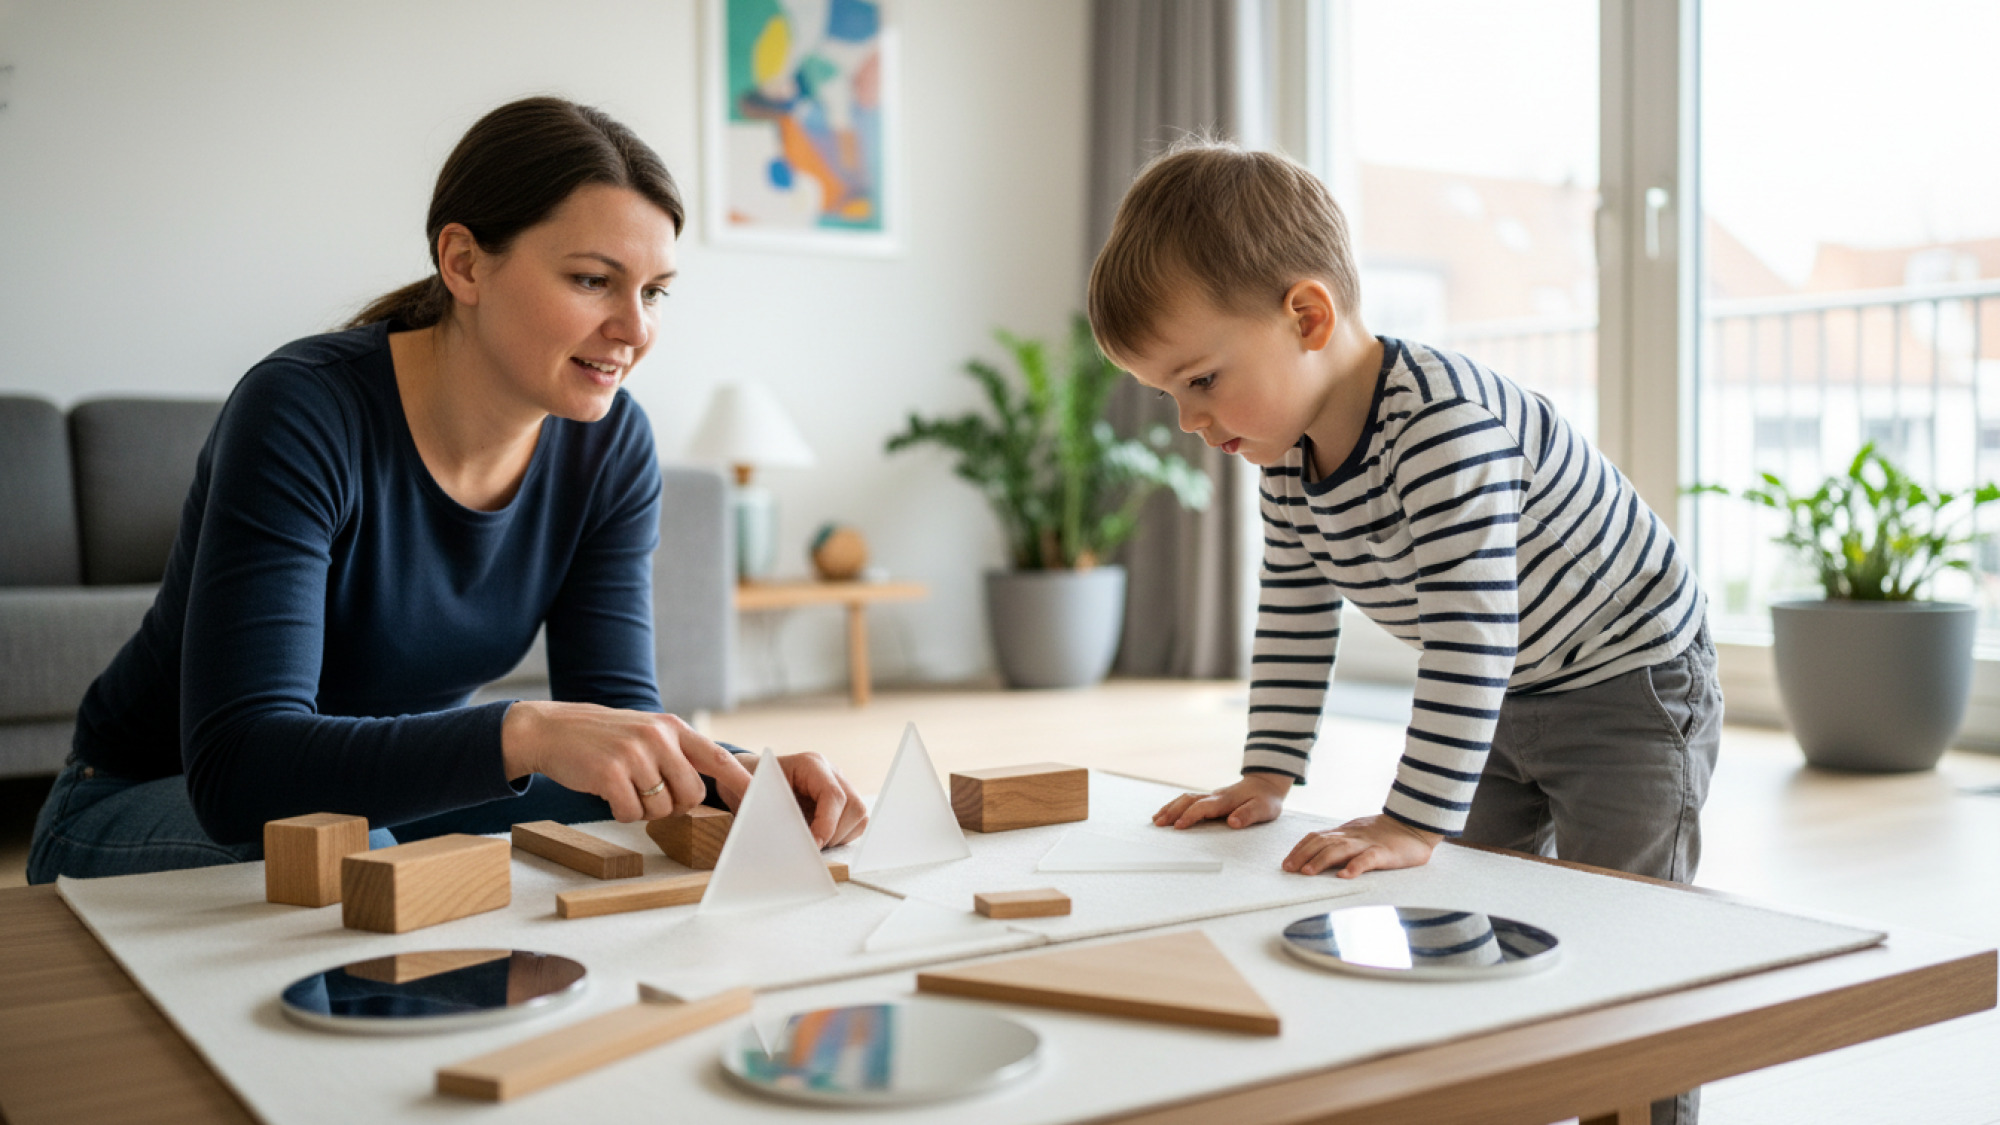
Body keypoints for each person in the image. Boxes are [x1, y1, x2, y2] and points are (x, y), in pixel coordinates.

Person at [29, 97, 867, 884]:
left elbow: (619, 724)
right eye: (590, 280)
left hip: (388, 803)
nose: (636, 330)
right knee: (368, 854)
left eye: (653, 293)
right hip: (144, 800)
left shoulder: (610, 445)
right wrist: (523, 729)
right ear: (463, 262)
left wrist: (741, 776)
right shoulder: (302, 411)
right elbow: (242, 771)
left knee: (625, 824)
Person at [1088, 138, 1717, 1123]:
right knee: (1462, 921)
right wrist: (1267, 772)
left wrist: (1409, 817)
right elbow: (1296, 614)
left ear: (1305, 316)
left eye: (1200, 379)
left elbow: (1472, 633)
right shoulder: (1285, 460)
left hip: (1627, 684)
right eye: (1168, 393)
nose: (1185, 421)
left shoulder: (1439, 426)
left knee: (1622, 930)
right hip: (1508, 696)